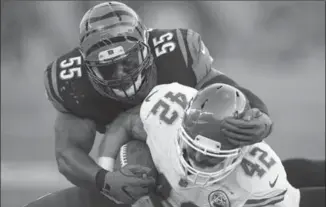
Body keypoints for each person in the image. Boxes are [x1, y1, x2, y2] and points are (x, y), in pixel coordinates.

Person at [44, 1, 273, 204]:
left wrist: (259, 114)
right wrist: (103, 179)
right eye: (107, 68)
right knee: (134, 155)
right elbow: (67, 153)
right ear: (88, 67)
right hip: (134, 146)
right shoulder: (74, 84)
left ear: (146, 47)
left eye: (129, 61)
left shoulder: (176, 52)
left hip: (186, 139)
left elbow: (225, 91)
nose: (121, 74)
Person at [99, 82, 300, 207]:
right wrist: (105, 172)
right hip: (165, 194)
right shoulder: (165, 109)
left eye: (211, 156)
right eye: (192, 148)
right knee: (133, 154)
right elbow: (126, 123)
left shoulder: (260, 177)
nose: (197, 159)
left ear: (239, 152)